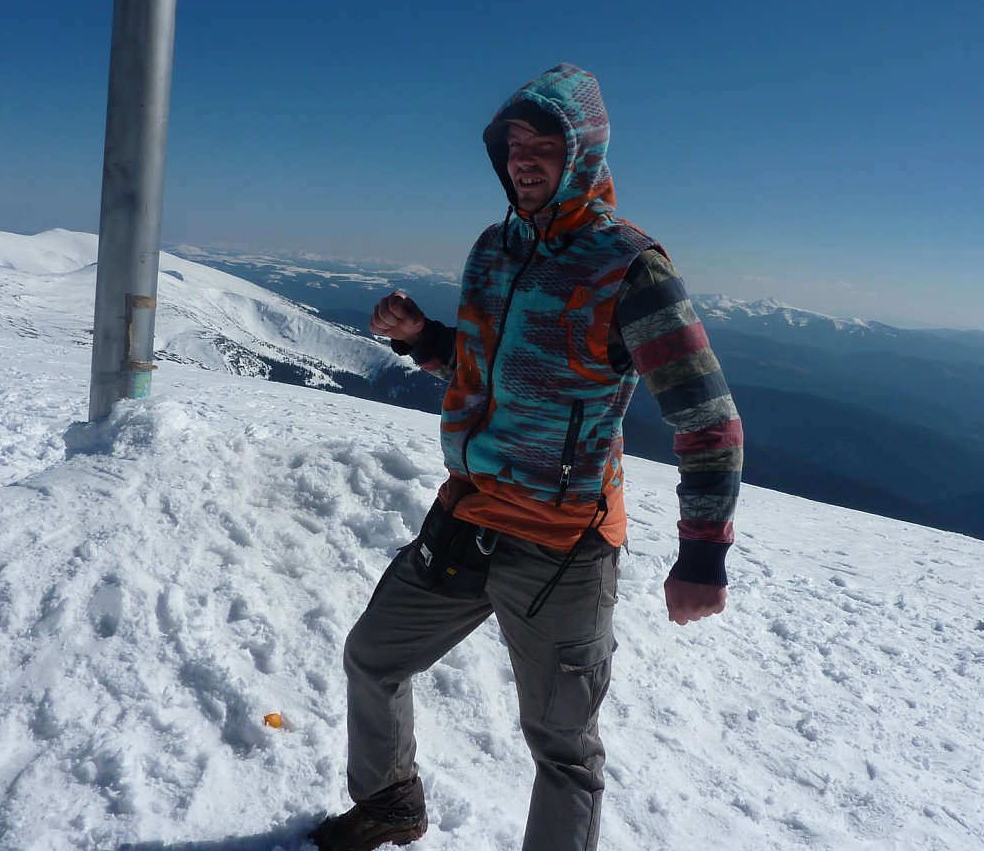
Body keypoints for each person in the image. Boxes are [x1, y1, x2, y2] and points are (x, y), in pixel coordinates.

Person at [309, 63, 742, 851]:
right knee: (372, 657)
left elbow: (709, 420)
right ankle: (390, 803)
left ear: (583, 153)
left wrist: (703, 557)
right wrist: (422, 338)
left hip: (562, 545)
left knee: (563, 749)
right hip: (469, 513)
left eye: (544, 143)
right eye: (513, 144)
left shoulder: (629, 266)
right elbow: (485, 366)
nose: (523, 159)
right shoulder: (494, 249)